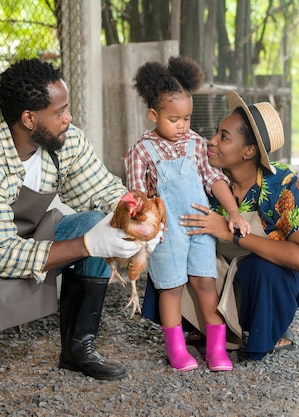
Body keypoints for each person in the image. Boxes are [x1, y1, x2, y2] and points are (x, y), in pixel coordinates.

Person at [0, 58, 160, 382]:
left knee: (99, 221)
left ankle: (78, 349)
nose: (68, 118)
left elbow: (102, 189)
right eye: (59, 111)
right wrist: (86, 245)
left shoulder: (65, 141)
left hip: (24, 233)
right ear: (28, 118)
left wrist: (137, 216)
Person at [178, 91, 299, 360]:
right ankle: (207, 324)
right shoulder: (208, 177)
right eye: (215, 133)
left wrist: (230, 234)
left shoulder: (280, 182)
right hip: (227, 276)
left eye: (224, 137)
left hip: (279, 277)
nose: (211, 142)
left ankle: (266, 332)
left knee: (261, 269)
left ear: (249, 151)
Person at [125, 56, 250, 372]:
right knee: (171, 288)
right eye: (174, 119)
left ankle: (216, 347)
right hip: (168, 234)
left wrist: (233, 212)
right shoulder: (141, 150)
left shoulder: (195, 144)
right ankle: (177, 348)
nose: (182, 126)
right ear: (154, 115)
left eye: (187, 118)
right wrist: (140, 217)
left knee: (206, 284)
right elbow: (138, 194)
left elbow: (214, 180)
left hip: (200, 228)